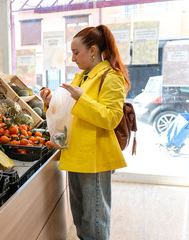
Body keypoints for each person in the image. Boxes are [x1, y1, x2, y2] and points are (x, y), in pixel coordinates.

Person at [41, 25, 130, 240]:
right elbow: (68, 114)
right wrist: (50, 103)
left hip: (95, 159)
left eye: (75, 52)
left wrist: (82, 98)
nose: (72, 58)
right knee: (81, 219)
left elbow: (110, 118)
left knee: (96, 223)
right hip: (75, 156)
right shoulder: (81, 78)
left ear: (92, 50)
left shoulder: (111, 77)